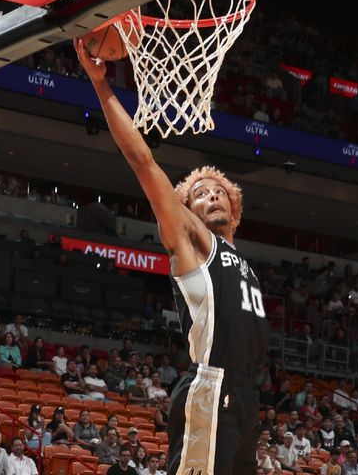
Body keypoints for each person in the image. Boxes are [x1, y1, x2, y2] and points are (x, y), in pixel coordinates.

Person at [76, 38, 270, 475]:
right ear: (186, 211)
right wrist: (101, 85)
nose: (212, 196)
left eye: (218, 191)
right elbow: (143, 161)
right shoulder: (192, 240)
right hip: (212, 385)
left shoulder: (246, 266)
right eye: (200, 194)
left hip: (246, 397)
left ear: (234, 208)